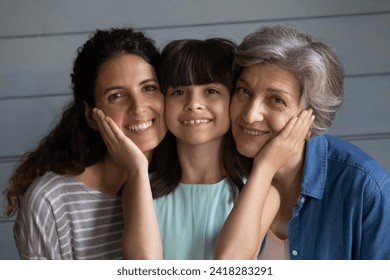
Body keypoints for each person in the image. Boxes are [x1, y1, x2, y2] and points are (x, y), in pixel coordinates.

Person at [97, 37, 313, 260]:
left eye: (211, 91)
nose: (193, 104)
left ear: (233, 100)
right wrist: (137, 168)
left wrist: (265, 167)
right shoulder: (141, 186)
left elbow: (229, 266)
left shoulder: (263, 191)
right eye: (179, 92)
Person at [225, 24, 390, 259]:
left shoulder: (366, 188)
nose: (250, 115)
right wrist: (264, 169)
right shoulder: (217, 173)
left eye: (276, 100)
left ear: (312, 116)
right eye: (243, 91)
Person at [3, 27, 167, 259]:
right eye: (116, 96)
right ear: (92, 116)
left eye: (149, 88)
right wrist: (137, 169)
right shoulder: (50, 201)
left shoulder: (178, 178)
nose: (138, 107)